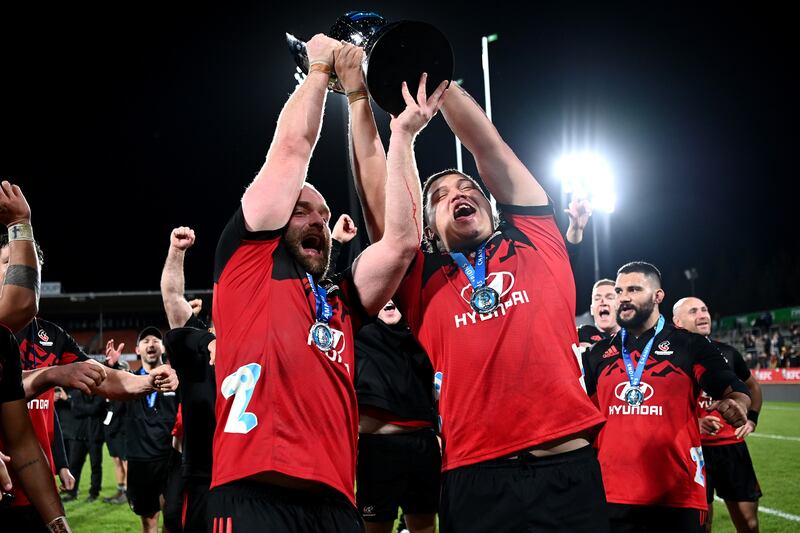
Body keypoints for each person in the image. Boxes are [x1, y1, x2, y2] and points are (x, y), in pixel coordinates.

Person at [208, 35, 446, 532]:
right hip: (252, 493)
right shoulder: (247, 262)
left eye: (323, 213)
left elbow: (402, 242)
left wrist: (397, 133)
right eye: (301, 210)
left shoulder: (339, 300)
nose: (317, 220)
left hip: (337, 503)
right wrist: (318, 68)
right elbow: (292, 150)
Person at [583, 262, 751, 532]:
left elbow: (732, 386)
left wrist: (738, 403)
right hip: (610, 494)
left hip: (676, 495)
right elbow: (584, 416)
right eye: (619, 290)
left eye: (634, 289)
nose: (624, 297)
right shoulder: (598, 353)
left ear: (658, 296)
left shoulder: (690, 344)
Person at [0, 180, 73, 532]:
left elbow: (23, 445)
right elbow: (22, 303)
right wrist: (20, 224)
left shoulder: (4, 346)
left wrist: (58, 523)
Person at [673, 296, 763, 533]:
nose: (702, 315)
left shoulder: (728, 353)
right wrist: (695, 423)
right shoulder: (670, 356)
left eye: (704, 310)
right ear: (678, 321)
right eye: (693, 311)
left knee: (749, 522)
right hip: (695, 451)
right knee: (702, 524)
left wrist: (752, 418)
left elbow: (752, 386)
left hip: (732, 447)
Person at [355, 301, 439, 533]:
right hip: (378, 450)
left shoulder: (420, 333)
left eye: (395, 295)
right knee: (375, 526)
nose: (389, 301)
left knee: (424, 525)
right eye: (383, 297)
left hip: (423, 444)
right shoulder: (358, 332)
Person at [111, 327, 178, 533]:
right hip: (140, 462)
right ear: (137, 350)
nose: (151, 344)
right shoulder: (128, 382)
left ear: (163, 348)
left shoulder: (175, 381)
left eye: (156, 340)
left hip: (170, 460)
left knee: (172, 518)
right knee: (149, 522)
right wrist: (111, 367)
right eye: (145, 341)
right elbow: (109, 393)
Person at [578, 278, 620, 348]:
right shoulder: (581, 335)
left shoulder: (633, 339)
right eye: (597, 299)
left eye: (609, 297)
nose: (603, 301)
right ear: (591, 309)